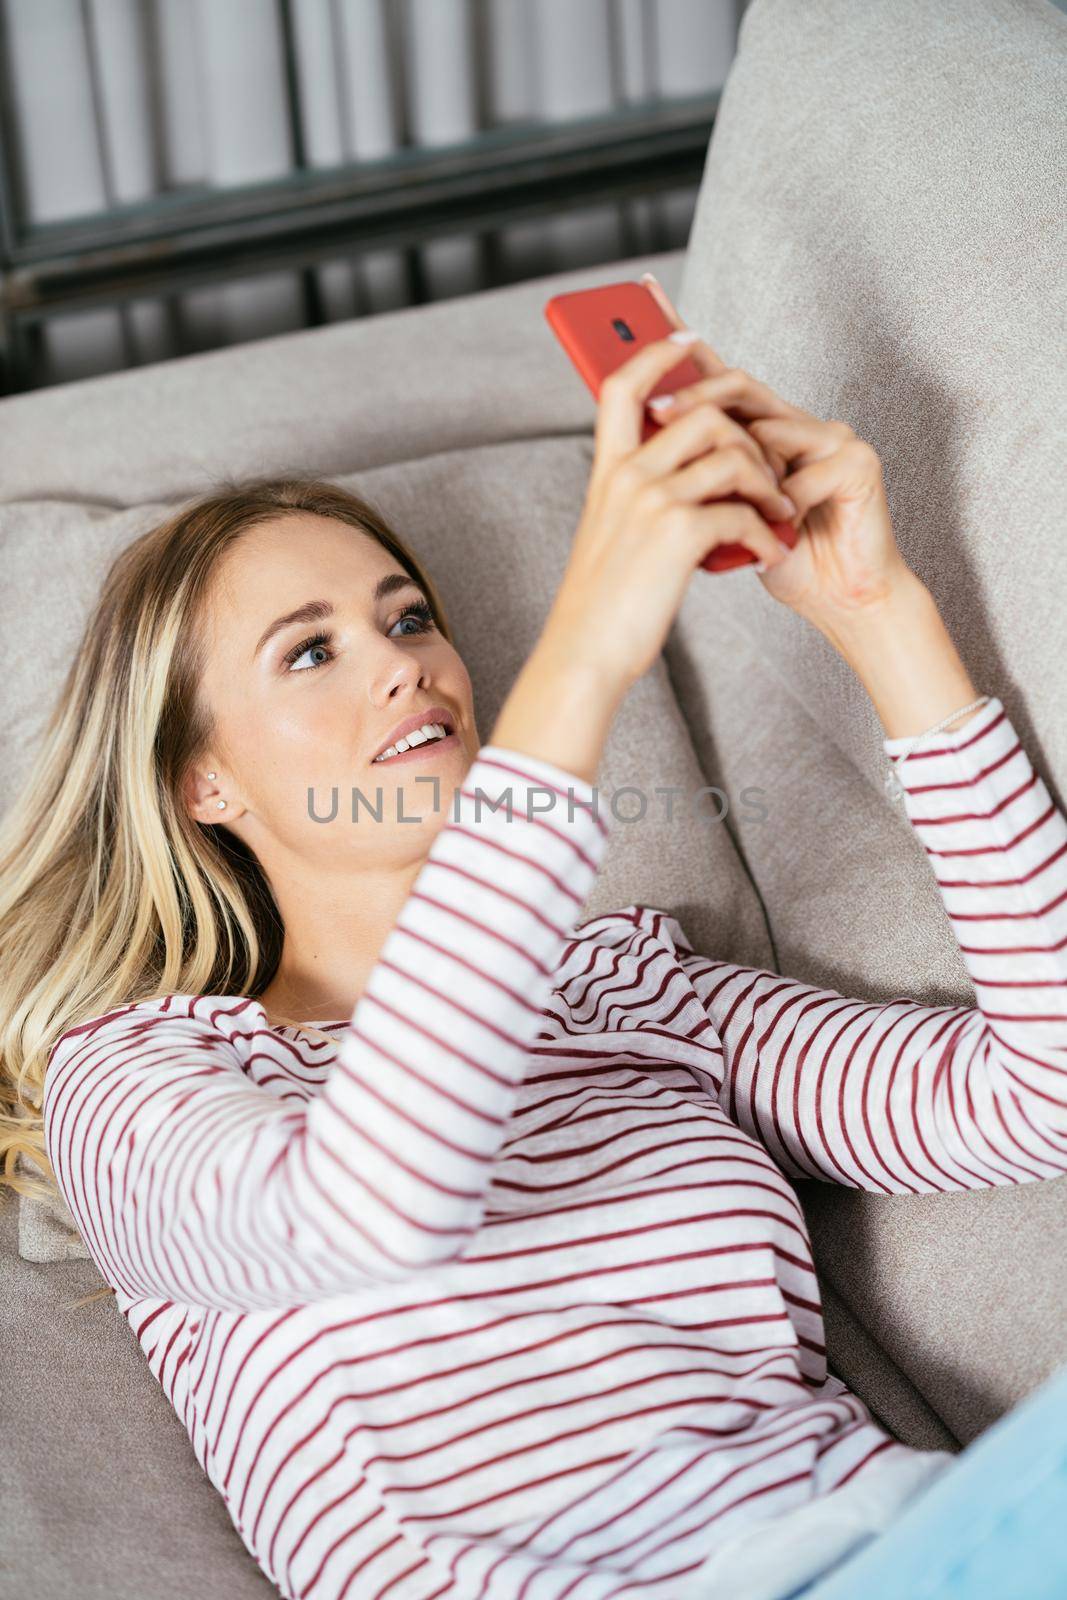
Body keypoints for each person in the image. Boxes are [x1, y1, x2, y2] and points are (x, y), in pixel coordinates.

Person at [2, 275, 1065, 1600]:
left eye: (407, 617)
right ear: (198, 785)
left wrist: (883, 616)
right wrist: (586, 653)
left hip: (917, 1534)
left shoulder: (630, 988)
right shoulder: (143, 1081)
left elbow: (1040, 1095)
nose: (408, 664)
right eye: (309, 652)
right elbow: (375, 1208)